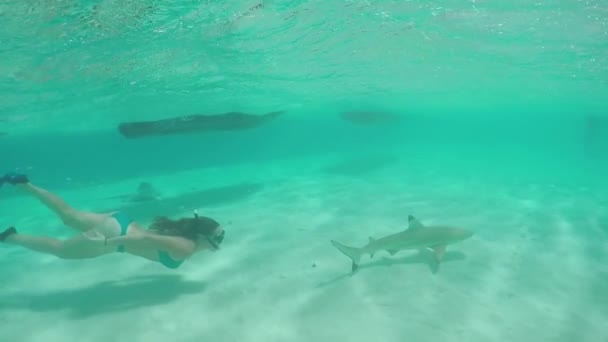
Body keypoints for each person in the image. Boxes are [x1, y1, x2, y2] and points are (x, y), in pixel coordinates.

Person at [0, 173, 225, 269]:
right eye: (218, 237)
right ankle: (10, 236)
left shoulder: (183, 236)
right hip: (115, 235)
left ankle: (23, 183)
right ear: (202, 236)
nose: (220, 241)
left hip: (121, 220)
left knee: (69, 215)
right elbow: (144, 237)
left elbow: (147, 237)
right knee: (61, 250)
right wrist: (107, 243)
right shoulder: (186, 247)